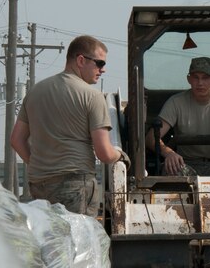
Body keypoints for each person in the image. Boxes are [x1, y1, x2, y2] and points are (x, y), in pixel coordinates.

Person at [11, 35, 129, 216]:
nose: (103, 70)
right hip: (75, 185)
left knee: (53, 241)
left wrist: (40, 165)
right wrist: (121, 157)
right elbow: (104, 153)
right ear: (81, 60)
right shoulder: (92, 96)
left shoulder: (35, 92)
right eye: (99, 63)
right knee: (78, 241)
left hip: (38, 184)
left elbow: (16, 140)